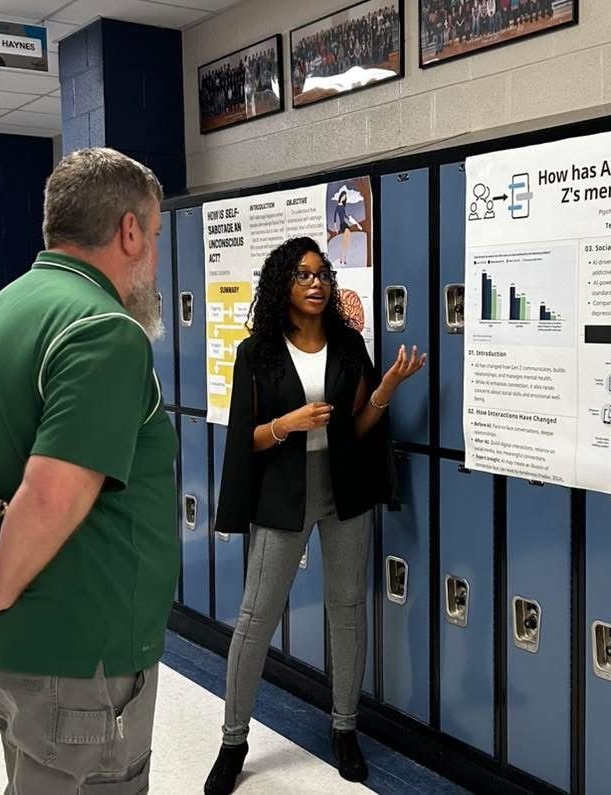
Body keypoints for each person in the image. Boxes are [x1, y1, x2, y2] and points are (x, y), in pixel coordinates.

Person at [0, 147, 179, 793]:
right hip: (80, 649)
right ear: (129, 230)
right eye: (156, 236)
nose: (154, 259)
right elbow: (54, 491)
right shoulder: (103, 330)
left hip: (8, 650)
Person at [204, 237, 425, 794]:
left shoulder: (349, 345)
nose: (315, 283)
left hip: (343, 490)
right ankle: (234, 741)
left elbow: (357, 427)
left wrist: (389, 386)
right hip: (283, 494)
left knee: (347, 609)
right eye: (303, 275)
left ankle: (344, 728)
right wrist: (290, 423)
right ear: (284, 283)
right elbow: (245, 440)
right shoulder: (259, 353)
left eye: (321, 274)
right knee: (255, 618)